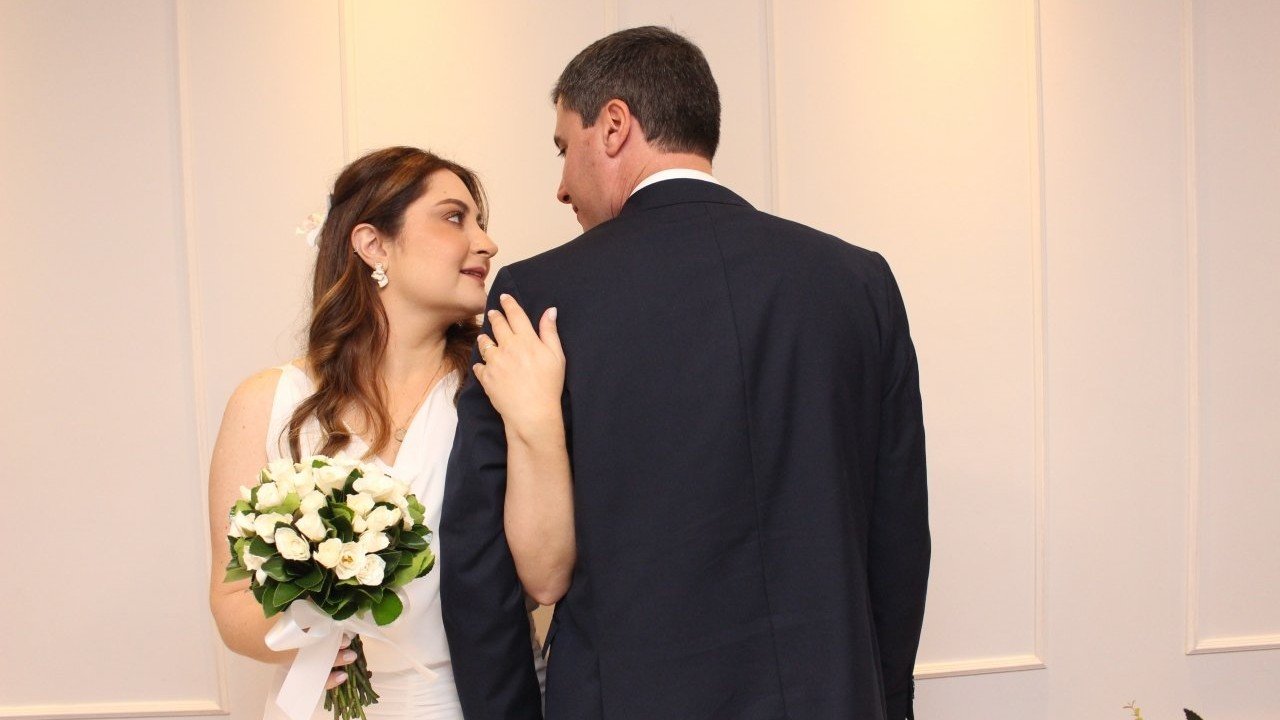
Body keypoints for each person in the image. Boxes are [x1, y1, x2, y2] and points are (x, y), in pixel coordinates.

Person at [441, 26, 930, 720]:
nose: (561, 186)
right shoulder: (857, 282)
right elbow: (897, 532)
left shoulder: (538, 297)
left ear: (614, 126)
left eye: (563, 147)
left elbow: (478, 555)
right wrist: (887, 702)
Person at [207, 146, 573, 720]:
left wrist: (539, 418)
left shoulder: (500, 384)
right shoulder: (267, 403)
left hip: (478, 701)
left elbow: (545, 578)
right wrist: (317, 621)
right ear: (373, 244)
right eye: (455, 217)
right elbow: (232, 602)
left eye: (481, 222)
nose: (486, 243)